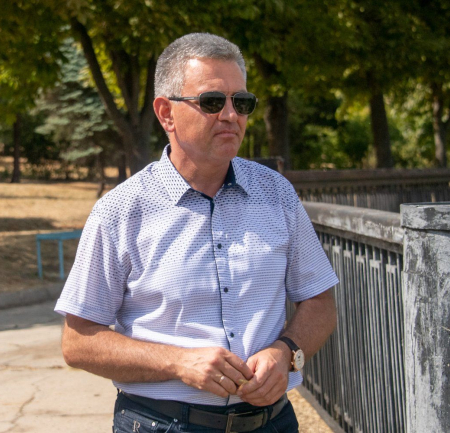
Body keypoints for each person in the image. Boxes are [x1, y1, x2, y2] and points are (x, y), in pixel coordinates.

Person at [55, 33, 339, 433]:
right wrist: (178, 363)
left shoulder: (277, 193)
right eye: (212, 101)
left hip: (272, 423)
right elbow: (78, 342)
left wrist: (287, 351)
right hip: (162, 424)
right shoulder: (120, 211)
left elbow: (320, 302)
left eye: (242, 102)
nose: (231, 115)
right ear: (166, 113)